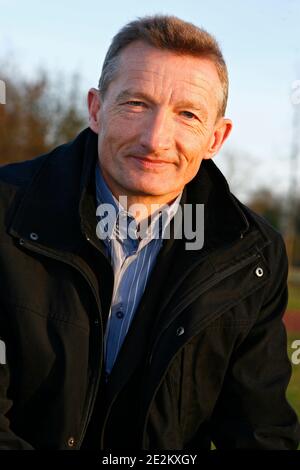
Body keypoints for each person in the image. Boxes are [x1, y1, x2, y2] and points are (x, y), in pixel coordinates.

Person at [0, 15, 299, 451]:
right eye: (136, 103)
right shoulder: (6, 212)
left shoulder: (253, 255)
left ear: (216, 138)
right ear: (96, 110)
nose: (156, 139)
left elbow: (261, 432)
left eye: (188, 114)